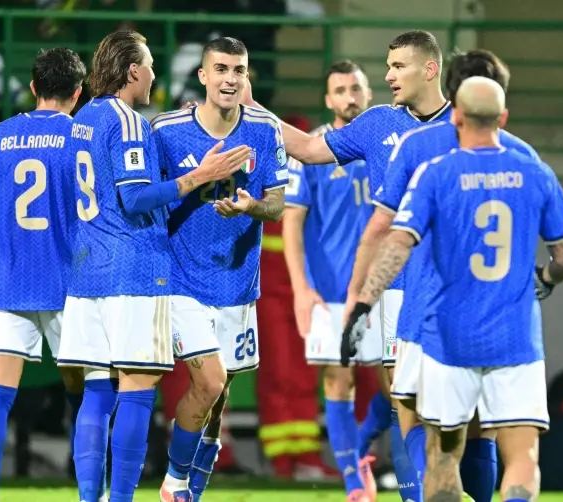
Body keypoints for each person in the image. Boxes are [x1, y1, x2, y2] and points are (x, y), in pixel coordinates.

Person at [352, 76, 563, 502]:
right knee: (522, 458)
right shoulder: (536, 172)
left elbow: (396, 242)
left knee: (440, 454)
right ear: (504, 118)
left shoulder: (436, 173)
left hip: (448, 334)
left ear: (456, 115)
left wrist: (362, 301)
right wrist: (550, 285)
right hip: (514, 337)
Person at [241, 30, 453, 502]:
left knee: (450, 408)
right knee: (405, 399)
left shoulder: (461, 126)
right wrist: (255, 108)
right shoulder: (379, 125)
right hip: (389, 289)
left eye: (398, 66)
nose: (390, 74)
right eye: (389, 65)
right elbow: (310, 149)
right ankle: (395, 487)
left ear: (431, 68)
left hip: (448, 288)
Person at [56, 30, 248, 502]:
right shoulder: (128, 120)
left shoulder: (84, 118)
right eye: (150, 65)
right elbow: (137, 198)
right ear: (133, 70)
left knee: (97, 392)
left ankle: (90, 497)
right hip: (133, 271)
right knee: (138, 387)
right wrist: (198, 177)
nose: (155, 74)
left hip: (87, 275)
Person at [151, 37, 287, 502]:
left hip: (237, 282)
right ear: (204, 76)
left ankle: (195, 485)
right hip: (182, 279)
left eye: (240, 70)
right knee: (207, 381)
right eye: (222, 69)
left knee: (220, 390)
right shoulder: (167, 131)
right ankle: (174, 482)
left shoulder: (265, 130)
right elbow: (146, 200)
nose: (231, 79)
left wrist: (252, 205)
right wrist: (194, 181)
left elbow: (278, 205)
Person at [0, 47, 87, 502]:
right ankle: (87, 489)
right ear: (77, 93)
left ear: (33, 88)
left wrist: (0, 258)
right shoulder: (82, 137)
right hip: (69, 283)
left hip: (9, 283)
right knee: (85, 391)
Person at [282, 59, 379, 501]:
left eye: (356, 89)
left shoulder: (386, 145)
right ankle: (354, 484)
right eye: (340, 90)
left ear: (369, 93)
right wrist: (302, 289)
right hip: (332, 292)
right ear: (328, 100)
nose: (349, 98)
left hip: (383, 290)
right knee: (339, 383)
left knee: (403, 390)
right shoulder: (313, 150)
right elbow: (291, 223)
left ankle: (358, 450)